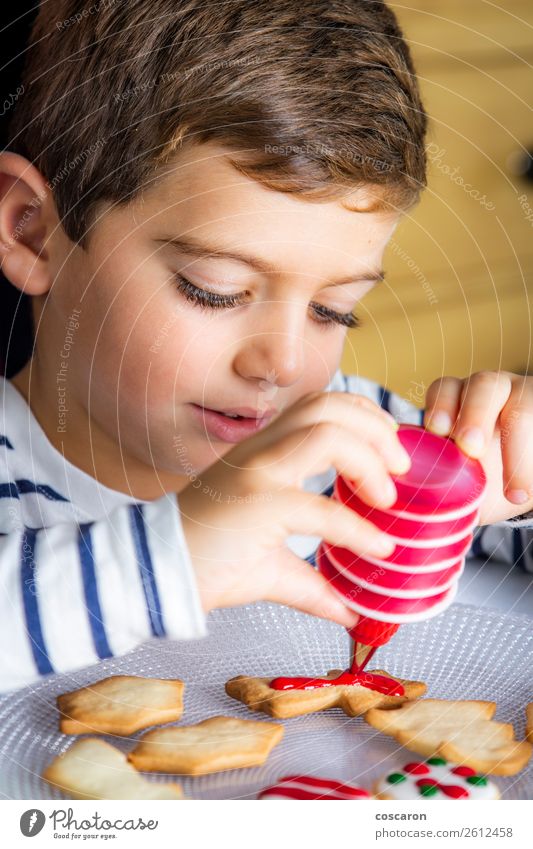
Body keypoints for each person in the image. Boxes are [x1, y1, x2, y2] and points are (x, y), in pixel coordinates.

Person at [0, 0, 531, 693]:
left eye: (332, 310)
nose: (280, 364)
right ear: (35, 231)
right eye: (214, 290)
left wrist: (517, 479)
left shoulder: (356, 448)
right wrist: (171, 559)